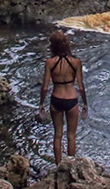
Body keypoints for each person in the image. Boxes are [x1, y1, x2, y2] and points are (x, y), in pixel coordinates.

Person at [38, 30, 88, 164]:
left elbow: (45, 87)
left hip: (56, 99)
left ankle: (58, 166)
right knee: (71, 136)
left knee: (57, 136)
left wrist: (41, 104)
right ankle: (70, 166)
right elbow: (81, 86)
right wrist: (85, 104)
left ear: (52, 46)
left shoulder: (49, 62)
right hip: (72, 99)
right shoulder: (76, 62)